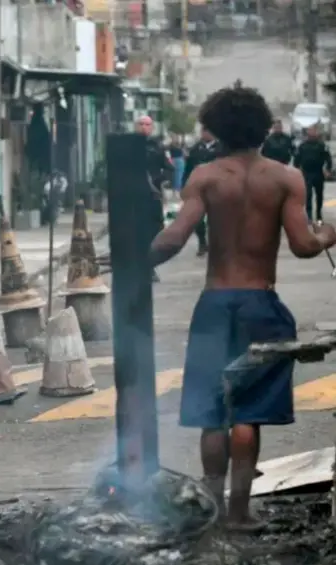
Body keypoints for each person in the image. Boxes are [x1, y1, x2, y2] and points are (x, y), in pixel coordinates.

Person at [150, 84, 336, 531]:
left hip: (215, 305)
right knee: (248, 412)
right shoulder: (285, 178)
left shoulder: (205, 178)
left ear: (215, 130)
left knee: (212, 414)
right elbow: (305, 245)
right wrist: (329, 234)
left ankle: (211, 512)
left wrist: (132, 258)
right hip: (261, 304)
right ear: (261, 127)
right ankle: (239, 512)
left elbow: (173, 239)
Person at [136, 115, 172, 282]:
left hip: (153, 195)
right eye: (141, 124)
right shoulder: (128, 147)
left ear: (151, 127)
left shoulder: (157, 147)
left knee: (155, 230)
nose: (144, 127)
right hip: (134, 196)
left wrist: (161, 180)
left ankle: (149, 265)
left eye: (147, 124)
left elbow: (169, 168)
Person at [183, 128, 222, 257]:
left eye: (208, 131)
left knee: (215, 217)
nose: (205, 134)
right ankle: (202, 242)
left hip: (216, 187)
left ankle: (215, 244)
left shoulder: (221, 149)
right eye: (203, 131)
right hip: (198, 188)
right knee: (197, 218)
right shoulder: (195, 149)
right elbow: (188, 168)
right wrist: (184, 185)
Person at [293, 124, 332, 223]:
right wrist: (297, 170)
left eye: (314, 131)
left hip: (318, 172)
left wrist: (328, 169)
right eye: (310, 131)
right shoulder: (302, 145)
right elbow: (297, 160)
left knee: (319, 195)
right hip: (307, 173)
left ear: (317, 132)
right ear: (307, 132)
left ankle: (319, 215)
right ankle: (309, 216)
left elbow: (328, 158)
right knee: (308, 195)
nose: (312, 133)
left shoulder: (321, 145)